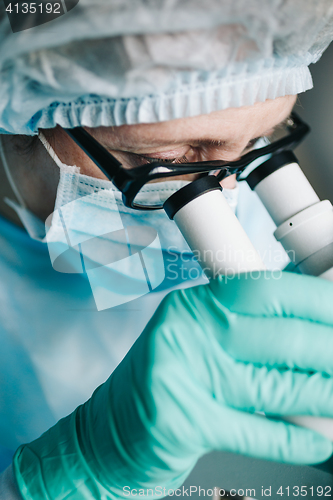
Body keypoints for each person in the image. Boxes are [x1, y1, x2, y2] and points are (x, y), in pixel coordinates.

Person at [1, 1, 333, 498]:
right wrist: (79, 471)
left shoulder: (261, 214)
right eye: (168, 160)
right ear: (17, 120)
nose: (225, 195)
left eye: (255, 143)